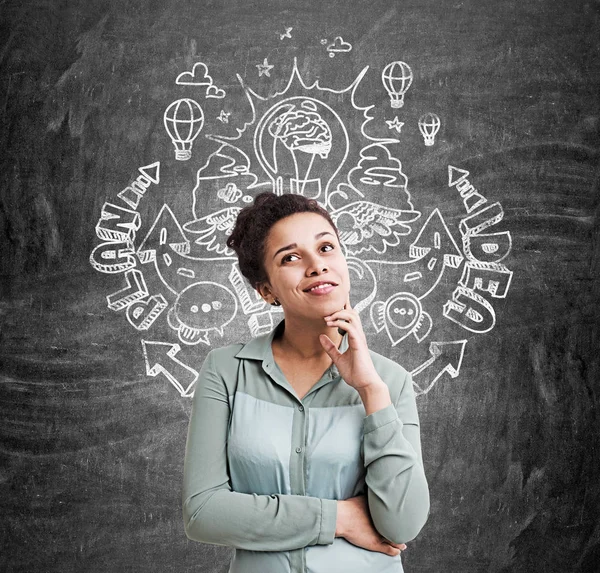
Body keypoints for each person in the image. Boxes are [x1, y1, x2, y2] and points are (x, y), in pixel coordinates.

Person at [182, 192, 430, 573]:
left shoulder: (391, 381)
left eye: (326, 247)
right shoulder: (225, 371)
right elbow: (203, 512)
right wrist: (338, 518)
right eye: (291, 258)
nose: (316, 266)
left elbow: (402, 524)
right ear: (267, 291)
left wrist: (371, 392)